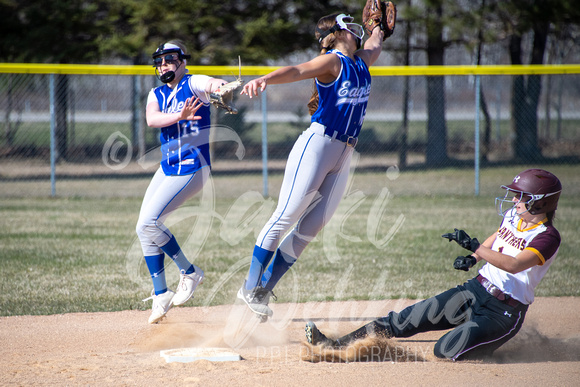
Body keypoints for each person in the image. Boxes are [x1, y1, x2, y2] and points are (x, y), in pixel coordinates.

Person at [305, 168, 562, 360]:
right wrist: (475, 258)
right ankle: (333, 346)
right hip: (476, 290)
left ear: (541, 202)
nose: (515, 200)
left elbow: (515, 264)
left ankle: (484, 342)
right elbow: (499, 236)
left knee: (444, 350)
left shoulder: (547, 237)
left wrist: (474, 246)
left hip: (502, 312)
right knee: (401, 320)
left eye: (521, 196)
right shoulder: (512, 216)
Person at [237, 13, 386, 320]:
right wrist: (265, 79)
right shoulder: (333, 62)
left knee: (310, 227)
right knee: (285, 216)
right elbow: (297, 70)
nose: (357, 32)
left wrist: (379, 30)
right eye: (350, 27)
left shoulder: (361, 61)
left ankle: (264, 291)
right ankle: (249, 287)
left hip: (344, 153)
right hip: (317, 146)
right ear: (337, 34)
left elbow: (375, 44)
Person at [137, 40, 228, 324]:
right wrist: (180, 114)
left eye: (170, 60)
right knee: (143, 227)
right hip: (168, 167)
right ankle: (161, 293)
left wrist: (221, 87)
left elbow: (211, 84)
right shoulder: (156, 93)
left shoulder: (193, 83)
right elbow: (152, 119)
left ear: (182, 62)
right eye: (160, 61)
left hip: (192, 167)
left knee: (152, 222)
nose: (164, 65)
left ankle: (189, 272)